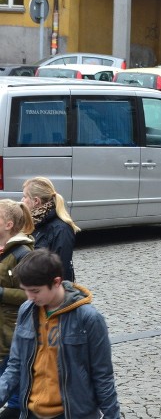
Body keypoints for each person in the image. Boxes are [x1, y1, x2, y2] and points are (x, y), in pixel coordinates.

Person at [0, 249, 119, 418]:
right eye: (25, 290)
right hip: (31, 413)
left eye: (35, 291)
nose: (29, 296)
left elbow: (103, 375)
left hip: (71, 413)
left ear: (56, 282)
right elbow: (15, 366)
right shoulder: (26, 310)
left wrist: (111, 416)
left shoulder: (89, 318)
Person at [0, 200, 34, 419]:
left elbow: (33, 295)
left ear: (8, 224)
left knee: (14, 393)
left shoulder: (23, 254)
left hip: (10, 334)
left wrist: (2, 293)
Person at [20, 178, 77, 284]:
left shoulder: (61, 229)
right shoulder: (31, 223)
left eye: (24, 196)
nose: (22, 201)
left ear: (36, 201)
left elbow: (62, 270)